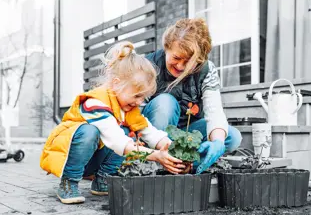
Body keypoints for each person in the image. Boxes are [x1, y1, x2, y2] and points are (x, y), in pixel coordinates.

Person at [40, 41, 183, 204]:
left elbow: (149, 132)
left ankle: (102, 181)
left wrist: (169, 147)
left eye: (143, 97)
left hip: (91, 158)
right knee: (91, 132)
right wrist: (156, 156)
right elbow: (119, 143)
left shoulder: (127, 107)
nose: (140, 102)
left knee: (124, 131)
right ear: (116, 83)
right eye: (137, 96)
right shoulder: (95, 103)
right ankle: (69, 182)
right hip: (67, 156)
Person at [143, 18, 242, 174]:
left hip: (186, 133)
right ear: (166, 47)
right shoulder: (148, 66)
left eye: (189, 62)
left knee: (231, 137)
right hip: (152, 134)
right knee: (165, 102)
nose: (181, 66)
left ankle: (185, 166)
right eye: (176, 58)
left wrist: (217, 141)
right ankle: (155, 165)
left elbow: (214, 110)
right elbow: (133, 113)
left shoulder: (207, 70)